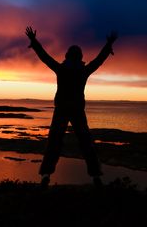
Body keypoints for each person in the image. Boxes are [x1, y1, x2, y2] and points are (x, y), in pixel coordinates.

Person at [25, 26, 117, 188]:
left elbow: (45, 57)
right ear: (80, 56)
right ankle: (96, 176)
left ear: (67, 56)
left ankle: (46, 175)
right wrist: (108, 45)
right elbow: (99, 60)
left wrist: (34, 41)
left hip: (61, 109)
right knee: (86, 142)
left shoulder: (62, 69)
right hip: (76, 110)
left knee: (54, 142)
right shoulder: (83, 71)